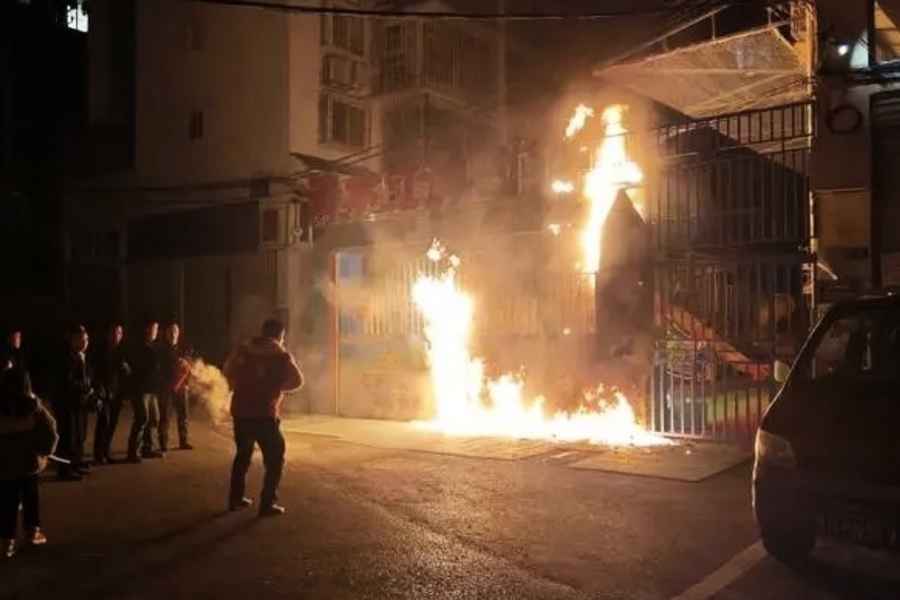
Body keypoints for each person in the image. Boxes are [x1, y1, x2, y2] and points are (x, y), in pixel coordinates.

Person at [224, 318, 303, 517]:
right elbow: (298, 381)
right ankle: (267, 504)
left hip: (241, 412)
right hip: (265, 414)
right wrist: (276, 388)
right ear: (280, 335)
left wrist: (242, 385)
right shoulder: (281, 355)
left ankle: (235, 499)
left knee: (242, 456)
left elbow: (228, 373)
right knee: (275, 460)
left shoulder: (243, 349)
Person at [0, 368, 58, 559]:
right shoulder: (33, 406)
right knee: (30, 498)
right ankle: (32, 533)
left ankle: (6, 541)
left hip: (5, 464)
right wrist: (44, 452)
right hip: (29, 463)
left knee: (8, 501)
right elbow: (51, 432)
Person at [54, 325, 95, 481]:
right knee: (67, 438)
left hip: (79, 403)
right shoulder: (66, 358)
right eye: (81, 339)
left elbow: (89, 377)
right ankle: (64, 470)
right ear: (72, 340)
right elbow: (68, 382)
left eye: (86, 339)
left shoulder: (83, 356)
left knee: (79, 435)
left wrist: (90, 388)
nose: (85, 343)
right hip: (67, 404)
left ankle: (76, 463)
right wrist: (86, 386)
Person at [92, 324, 132, 464]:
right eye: (114, 333)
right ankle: (98, 454)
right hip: (104, 393)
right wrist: (99, 390)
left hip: (116, 393)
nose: (117, 336)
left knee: (112, 424)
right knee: (104, 423)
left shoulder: (120, 351)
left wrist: (126, 369)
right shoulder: (102, 351)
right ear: (109, 334)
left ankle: (106, 452)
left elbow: (124, 372)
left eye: (120, 333)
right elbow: (96, 373)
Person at [127, 320, 164, 462]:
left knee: (154, 419)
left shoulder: (154, 346)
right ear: (147, 329)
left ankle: (148, 448)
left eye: (156, 328)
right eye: (154, 328)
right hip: (141, 389)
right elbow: (138, 367)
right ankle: (132, 452)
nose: (156, 331)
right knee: (142, 418)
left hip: (151, 390)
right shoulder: (139, 346)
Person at [158, 322, 192, 452]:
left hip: (181, 387)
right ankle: (163, 444)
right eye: (170, 332)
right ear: (166, 334)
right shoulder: (161, 350)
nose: (173, 334)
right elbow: (159, 369)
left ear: (178, 334)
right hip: (166, 388)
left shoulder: (183, 349)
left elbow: (188, 368)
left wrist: (186, 383)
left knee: (183, 415)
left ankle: (183, 441)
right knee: (165, 417)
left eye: (175, 332)